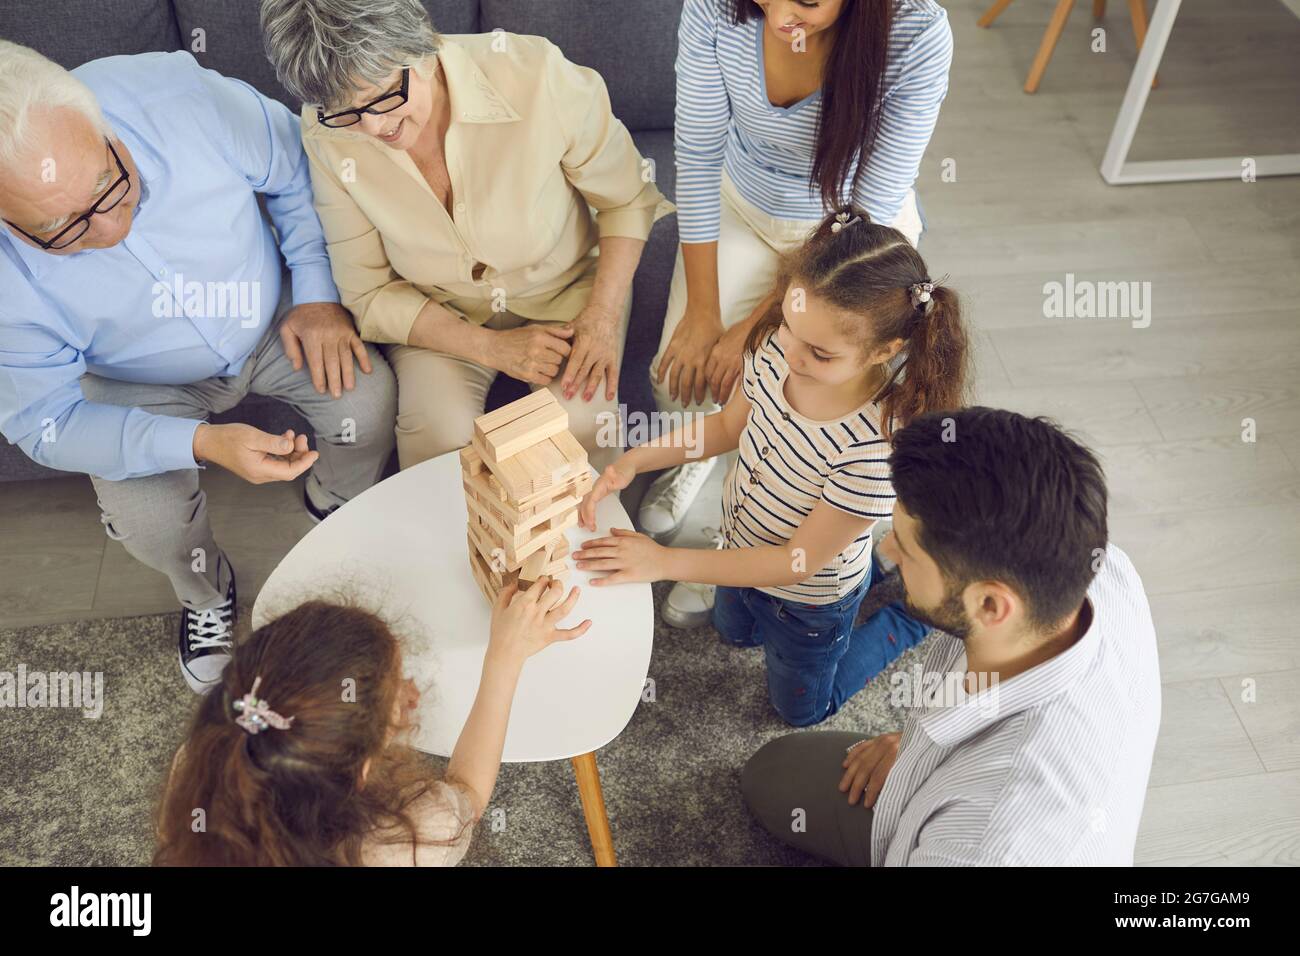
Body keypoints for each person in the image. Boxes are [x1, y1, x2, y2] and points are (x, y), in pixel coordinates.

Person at [0, 41, 395, 692]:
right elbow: (44, 422)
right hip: (131, 384)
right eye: (64, 230)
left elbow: (297, 167)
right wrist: (201, 442)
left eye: (111, 185)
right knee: (151, 526)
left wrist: (319, 295)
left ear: (103, 126)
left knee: (368, 404)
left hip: (270, 315)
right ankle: (208, 595)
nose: (112, 230)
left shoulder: (177, 95)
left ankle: (335, 503)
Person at [574, 209, 968, 727]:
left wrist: (665, 562)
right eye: (787, 325)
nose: (791, 354)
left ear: (886, 350)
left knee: (801, 710)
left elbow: (796, 562)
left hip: (808, 601)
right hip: (739, 546)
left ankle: (904, 617)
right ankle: (881, 562)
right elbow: (724, 429)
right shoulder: (772, 351)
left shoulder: (872, 447)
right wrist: (636, 459)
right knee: (735, 630)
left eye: (820, 353)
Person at [259, 0, 671, 473]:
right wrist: (490, 348)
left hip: (566, 296)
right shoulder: (327, 132)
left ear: (423, 48)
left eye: (381, 95)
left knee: (577, 426)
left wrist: (601, 316)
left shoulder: (537, 76)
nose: (374, 127)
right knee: (437, 441)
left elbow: (627, 199)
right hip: (439, 313)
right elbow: (369, 291)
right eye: (345, 112)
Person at [741, 408, 1162, 866]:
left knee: (771, 777)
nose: (886, 550)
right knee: (774, 773)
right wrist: (927, 748)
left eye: (906, 547)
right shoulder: (1105, 570)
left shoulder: (986, 844)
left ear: (989, 606)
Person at [639, 0, 952, 541]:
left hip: (850, 238)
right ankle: (705, 459)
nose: (782, 18)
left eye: (807, 1)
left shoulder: (915, 35)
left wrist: (753, 329)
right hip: (743, 206)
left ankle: (750, 511)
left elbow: (857, 218)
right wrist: (703, 311)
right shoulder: (714, 9)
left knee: (794, 383)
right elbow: (696, 154)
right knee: (676, 377)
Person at [154, 575, 590, 866]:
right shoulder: (409, 838)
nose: (414, 695)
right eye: (398, 693)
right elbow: (469, 795)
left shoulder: (197, 764)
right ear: (361, 771)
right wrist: (505, 660)